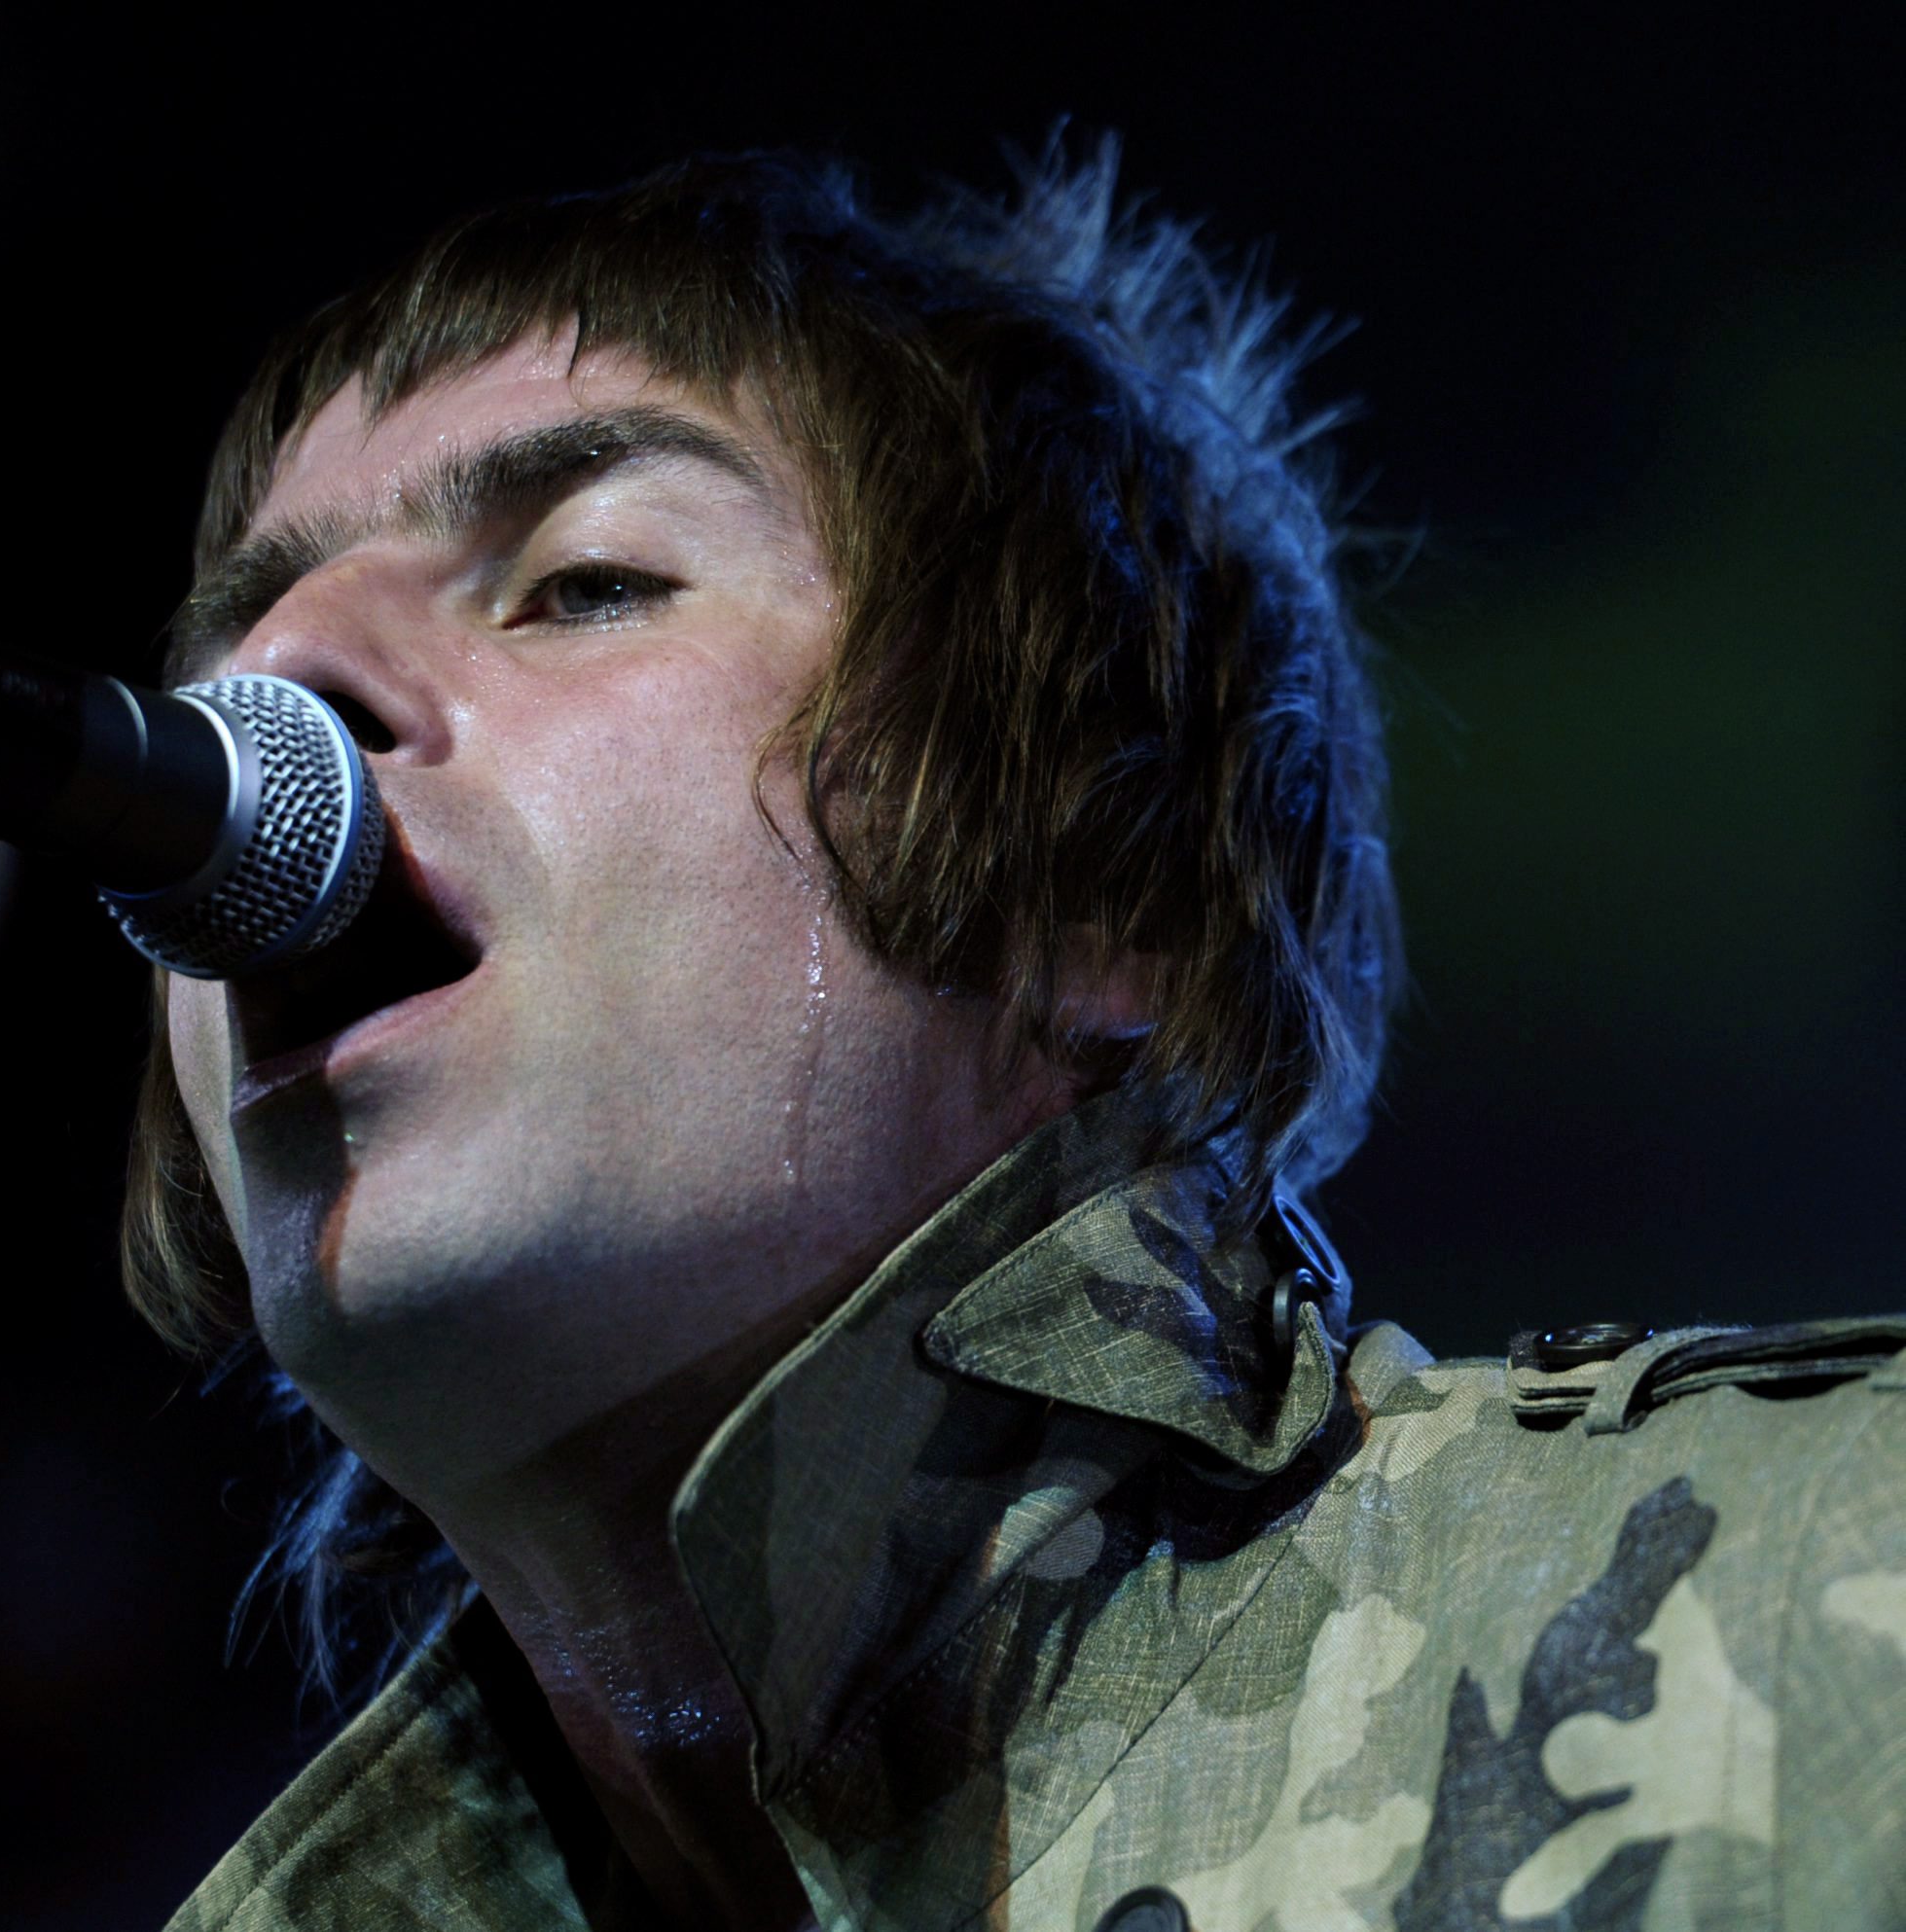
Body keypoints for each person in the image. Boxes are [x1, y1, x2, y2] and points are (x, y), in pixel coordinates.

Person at [120, 143, 1906, 1931]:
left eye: (588, 581)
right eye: (235, 654)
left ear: (1100, 885)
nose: (283, 679)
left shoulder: (1823, 1599)